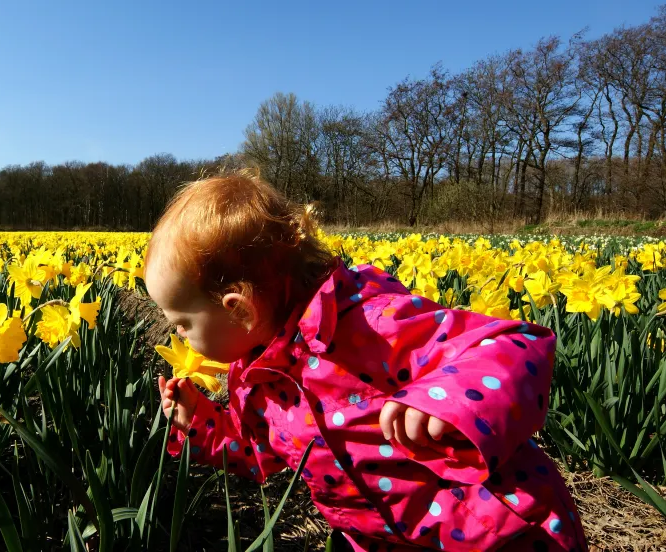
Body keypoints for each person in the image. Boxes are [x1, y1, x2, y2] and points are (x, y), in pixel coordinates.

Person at [144, 169, 587, 551]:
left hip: (496, 533)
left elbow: (513, 345)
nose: (177, 334)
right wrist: (201, 423)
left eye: (183, 322)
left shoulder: (372, 325)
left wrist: (444, 401)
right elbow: (259, 453)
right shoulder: (257, 378)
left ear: (237, 309)